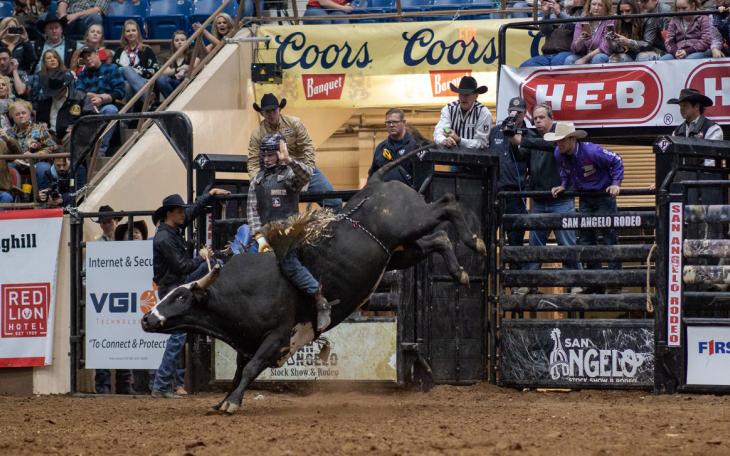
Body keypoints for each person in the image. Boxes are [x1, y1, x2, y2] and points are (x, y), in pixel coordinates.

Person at [247, 133, 333, 331]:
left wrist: (289, 160)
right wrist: (259, 238)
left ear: (279, 154)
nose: (267, 159)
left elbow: (306, 175)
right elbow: (252, 213)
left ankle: (319, 299)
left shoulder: (289, 175)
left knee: (288, 263)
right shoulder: (257, 181)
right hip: (265, 235)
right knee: (250, 263)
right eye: (265, 155)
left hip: (289, 232)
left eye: (271, 155)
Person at [151, 188, 230, 398]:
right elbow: (182, 267)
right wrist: (201, 257)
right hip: (172, 289)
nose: (182, 214)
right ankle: (161, 384)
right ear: (169, 213)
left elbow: (193, 211)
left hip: (174, 286)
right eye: (179, 211)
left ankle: (172, 383)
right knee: (178, 335)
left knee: (178, 333)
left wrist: (209, 194)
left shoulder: (169, 231)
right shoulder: (164, 239)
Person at [549, 122, 624, 288]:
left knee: (609, 238)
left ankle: (614, 283)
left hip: (603, 196)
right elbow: (565, 170)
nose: (559, 144)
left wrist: (616, 184)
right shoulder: (559, 153)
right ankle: (593, 283)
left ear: (572, 139)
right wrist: (563, 184)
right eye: (557, 140)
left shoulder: (592, 151)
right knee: (586, 239)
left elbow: (617, 160)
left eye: (562, 140)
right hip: (585, 197)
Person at [517, 104, 582, 288]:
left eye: (542, 117)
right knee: (535, 246)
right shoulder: (531, 138)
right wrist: (514, 143)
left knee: (567, 244)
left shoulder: (559, 135)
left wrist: (523, 141)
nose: (538, 121)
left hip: (561, 200)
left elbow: (551, 145)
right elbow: (521, 157)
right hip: (539, 201)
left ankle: (575, 283)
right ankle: (529, 284)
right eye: (535, 118)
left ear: (551, 118)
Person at [248, 93, 342, 211]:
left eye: (273, 110)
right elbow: (253, 161)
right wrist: (259, 183)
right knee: (273, 209)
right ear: (262, 113)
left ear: (279, 109)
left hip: (301, 168)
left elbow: (307, 146)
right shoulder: (257, 134)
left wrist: (307, 171)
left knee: (335, 202)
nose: (271, 114)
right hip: (274, 176)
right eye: (267, 111)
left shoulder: (294, 123)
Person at [90, 204, 135, 393]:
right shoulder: (96, 245)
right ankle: (105, 385)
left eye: (109, 221)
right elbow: (87, 275)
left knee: (124, 340)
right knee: (105, 340)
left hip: (121, 297)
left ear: (116, 221)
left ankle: (123, 384)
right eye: (103, 222)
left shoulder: (124, 242)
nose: (106, 225)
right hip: (105, 297)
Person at [490, 97, 528, 269]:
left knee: (515, 238)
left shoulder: (528, 134)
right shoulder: (496, 132)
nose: (515, 115)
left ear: (524, 114)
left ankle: (515, 279)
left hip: (515, 194)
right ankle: (490, 275)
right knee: (490, 236)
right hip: (495, 191)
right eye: (512, 111)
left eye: (519, 112)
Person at [75, 46, 125, 155]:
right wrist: (92, 96)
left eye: (89, 55)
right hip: (88, 107)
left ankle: (100, 151)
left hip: (107, 104)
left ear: (97, 54)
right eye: (85, 58)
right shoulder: (82, 74)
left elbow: (120, 92)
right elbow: (78, 93)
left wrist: (102, 98)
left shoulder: (111, 68)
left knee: (111, 110)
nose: (88, 59)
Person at [7, 99, 57, 190]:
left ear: (30, 113)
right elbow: (5, 151)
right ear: (12, 117)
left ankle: (43, 196)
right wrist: (13, 159)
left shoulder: (39, 129)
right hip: (16, 163)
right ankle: (13, 196)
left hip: (36, 162)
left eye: (24, 113)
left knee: (43, 168)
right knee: (7, 167)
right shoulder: (8, 133)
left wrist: (35, 155)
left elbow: (52, 146)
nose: (21, 116)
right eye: (17, 114)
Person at [433, 76, 492, 150]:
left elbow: (482, 144)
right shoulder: (448, 109)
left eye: (467, 95)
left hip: (474, 157)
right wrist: (444, 140)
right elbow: (438, 132)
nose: (463, 98)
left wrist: (459, 140)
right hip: (451, 155)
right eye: (461, 94)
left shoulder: (484, 113)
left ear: (476, 95)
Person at [520, 0, 584, 67]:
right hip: (547, 54)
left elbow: (576, 26)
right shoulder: (552, 11)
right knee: (525, 66)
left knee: (556, 62)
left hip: (568, 52)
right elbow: (544, 31)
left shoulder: (581, 11)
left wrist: (559, 13)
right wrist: (546, 14)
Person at [35, 70, 95, 141]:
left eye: (57, 92)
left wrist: (77, 129)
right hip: (48, 136)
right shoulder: (44, 99)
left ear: (65, 87)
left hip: (72, 138)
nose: (55, 95)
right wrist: (42, 125)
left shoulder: (81, 98)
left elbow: (91, 121)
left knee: (73, 137)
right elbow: (39, 120)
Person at [367, 108, 420, 186]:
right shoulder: (381, 148)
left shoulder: (415, 146)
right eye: (388, 122)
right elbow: (372, 174)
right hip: (384, 192)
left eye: (395, 122)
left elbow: (422, 177)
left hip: (408, 192)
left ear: (403, 122)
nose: (391, 125)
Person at [112, 20, 159, 101]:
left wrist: (141, 71)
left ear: (138, 33)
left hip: (143, 80)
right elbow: (114, 70)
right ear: (124, 34)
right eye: (128, 31)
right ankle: (146, 98)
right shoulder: (119, 51)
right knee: (126, 72)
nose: (131, 33)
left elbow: (155, 69)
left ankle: (136, 103)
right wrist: (131, 70)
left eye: (133, 30)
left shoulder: (147, 49)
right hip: (123, 81)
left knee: (128, 83)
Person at [564, 0, 613, 65]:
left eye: (600, 5)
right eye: (593, 4)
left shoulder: (610, 21)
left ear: (606, 8)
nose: (596, 8)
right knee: (570, 59)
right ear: (589, 6)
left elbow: (604, 47)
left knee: (598, 58)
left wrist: (584, 59)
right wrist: (580, 41)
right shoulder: (582, 21)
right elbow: (575, 49)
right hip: (584, 54)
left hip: (601, 54)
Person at [155, 30, 198, 100]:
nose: (179, 42)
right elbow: (164, 72)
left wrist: (184, 70)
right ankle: (172, 101)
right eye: (176, 40)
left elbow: (195, 65)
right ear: (173, 43)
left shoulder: (192, 53)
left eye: (182, 40)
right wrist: (179, 69)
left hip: (186, 84)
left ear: (187, 41)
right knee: (161, 79)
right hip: (173, 85)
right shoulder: (169, 57)